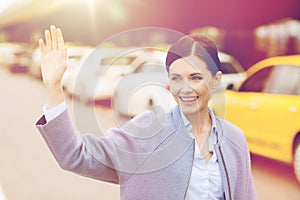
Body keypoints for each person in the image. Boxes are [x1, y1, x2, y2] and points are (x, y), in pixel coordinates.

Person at [36, 25, 256, 200]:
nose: (185, 89)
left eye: (196, 77)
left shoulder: (234, 139)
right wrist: (54, 87)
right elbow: (75, 156)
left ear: (216, 80)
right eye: (176, 78)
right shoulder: (147, 131)